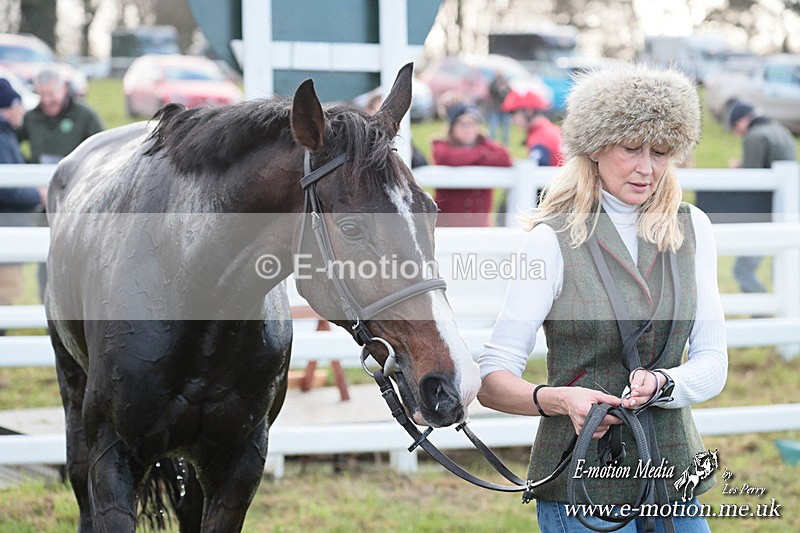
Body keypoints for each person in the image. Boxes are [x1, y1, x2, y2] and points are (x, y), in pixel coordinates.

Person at [477, 64, 727, 532]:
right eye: (631, 148)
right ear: (594, 148)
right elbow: (492, 379)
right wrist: (559, 399)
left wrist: (664, 383)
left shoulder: (693, 228)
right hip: (582, 481)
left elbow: (714, 362)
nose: (647, 168)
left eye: (660, 151)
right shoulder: (550, 241)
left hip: (674, 475)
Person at [727, 100, 796, 293]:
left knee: (743, 271)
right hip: (789, 212)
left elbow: (752, 179)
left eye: (735, 126)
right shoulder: (781, 131)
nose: (737, 132)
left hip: (766, 214)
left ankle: (762, 308)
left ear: (744, 119)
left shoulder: (755, 137)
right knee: (783, 272)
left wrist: (737, 170)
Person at [0, 78, 45, 334]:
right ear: (9, 107)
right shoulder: (2, 138)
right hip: (6, 229)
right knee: (5, 295)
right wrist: (38, 195)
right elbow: (8, 188)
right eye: (19, 106)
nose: (23, 112)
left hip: (8, 228)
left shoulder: (7, 136)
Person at [432, 102, 512, 227]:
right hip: (447, 227)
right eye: (462, 124)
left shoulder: (486, 144)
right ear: (452, 126)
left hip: (480, 227)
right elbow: (449, 158)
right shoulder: (441, 146)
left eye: (472, 123)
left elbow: (505, 157)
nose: (467, 128)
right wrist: (481, 154)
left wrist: (472, 155)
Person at [17, 67, 104, 164]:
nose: (47, 100)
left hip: (73, 172)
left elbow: (102, 148)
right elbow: (10, 142)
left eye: (51, 93)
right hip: (38, 172)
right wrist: (24, 163)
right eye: (42, 94)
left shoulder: (85, 116)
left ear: (64, 89)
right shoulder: (31, 117)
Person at [487, 71, 512, 146]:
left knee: (506, 128)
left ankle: (505, 144)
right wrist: (497, 87)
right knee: (492, 127)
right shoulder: (493, 83)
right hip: (495, 109)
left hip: (505, 109)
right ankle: (491, 143)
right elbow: (491, 92)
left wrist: (506, 88)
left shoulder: (506, 83)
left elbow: (510, 94)